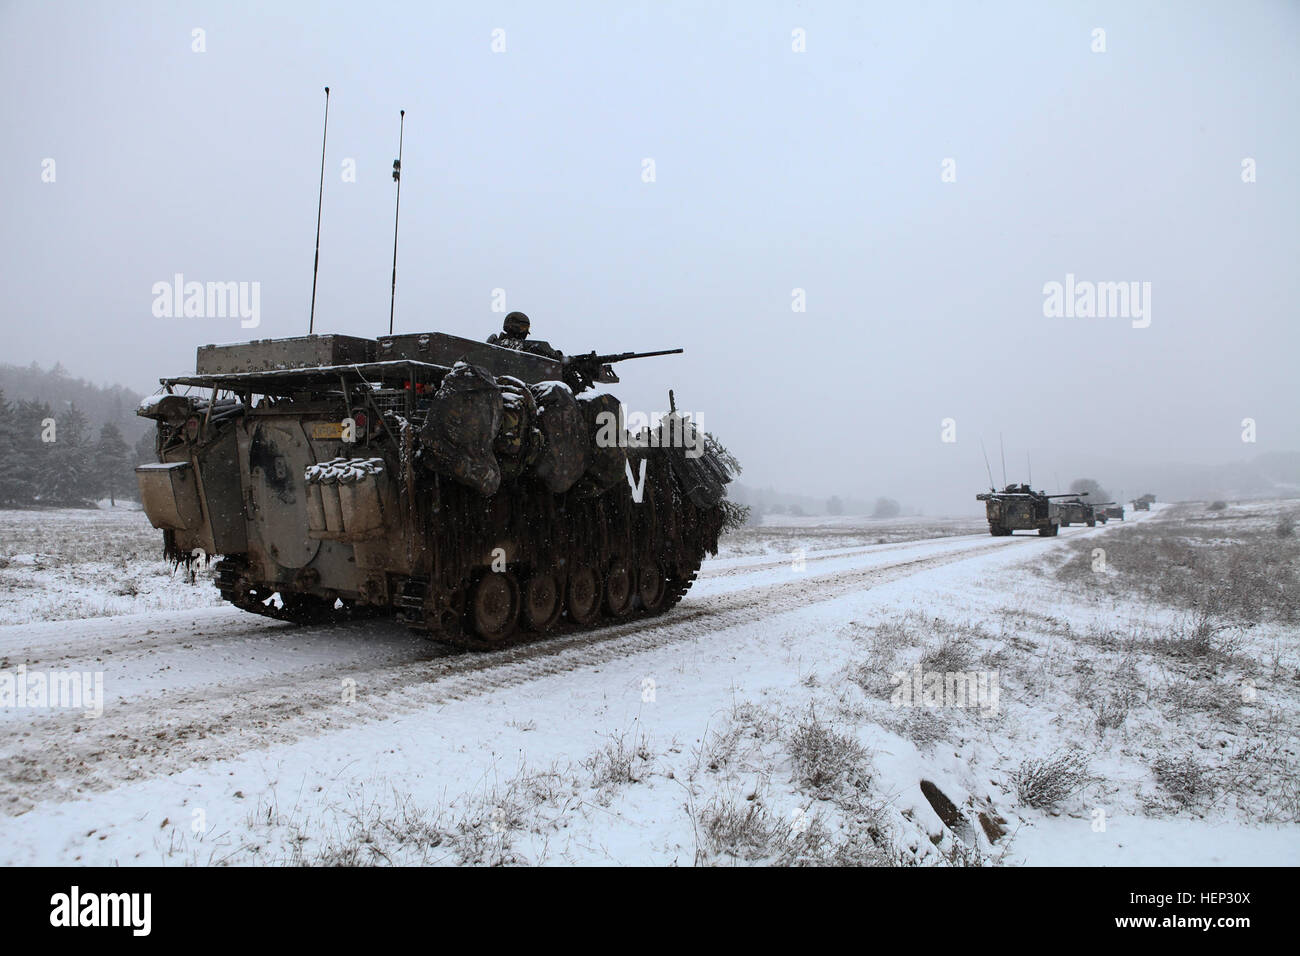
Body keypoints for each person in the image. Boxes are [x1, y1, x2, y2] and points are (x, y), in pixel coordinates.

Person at [487, 312, 563, 361]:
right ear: (512, 327)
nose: (526, 332)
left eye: (527, 328)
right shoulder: (498, 344)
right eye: (523, 327)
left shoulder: (526, 349)